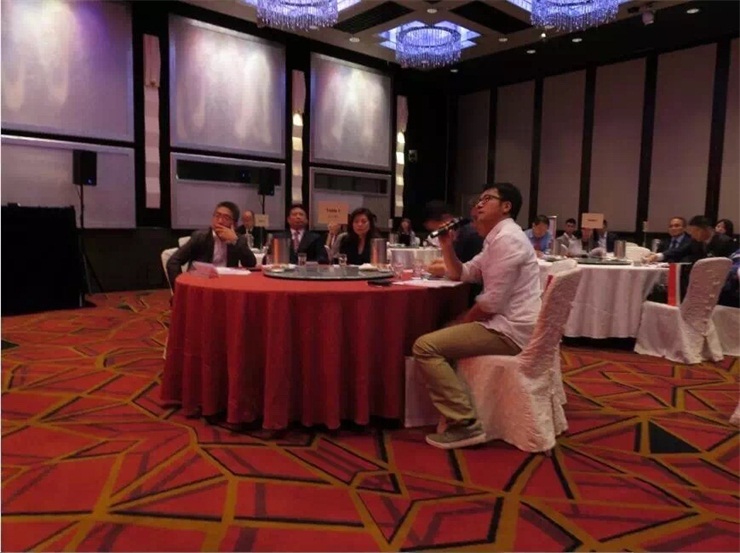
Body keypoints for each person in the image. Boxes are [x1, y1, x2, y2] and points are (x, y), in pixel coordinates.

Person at [412, 182, 541, 450]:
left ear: (506, 207)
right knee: (442, 332)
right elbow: (464, 273)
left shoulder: (508, 240)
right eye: (479, 199)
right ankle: (456, 409)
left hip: (510, 330)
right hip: (506, 322)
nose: (479, 204)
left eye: (487, 199)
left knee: (425, 346)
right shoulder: (496, 238)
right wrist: (446, 245)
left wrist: (462, 322)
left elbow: (492, 303)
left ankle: (464, 423)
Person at [166, 201, 257, 287]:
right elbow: (173, 262)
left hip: (228, 285)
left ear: (234, 224)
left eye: (226, 218)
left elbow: (251, 264)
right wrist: (180, 288)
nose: (220, 221)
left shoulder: (238, 239)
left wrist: (235, 241)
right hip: (203, 284)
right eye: (217, 216)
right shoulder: (200, 237)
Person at [647, 215, 735, 264]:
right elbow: (680, 251)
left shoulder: (725, 242)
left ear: (706, 229)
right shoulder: (695, 241)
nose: (692, 235)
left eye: (695, 231)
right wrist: (658, 256)